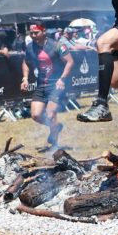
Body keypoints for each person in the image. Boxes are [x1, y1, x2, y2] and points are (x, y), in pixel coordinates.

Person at [20, 22, 74, 151]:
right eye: (31, 33)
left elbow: (70, 62)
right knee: (36, 115)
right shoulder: (29, 47)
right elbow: (26, 62)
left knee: (50, 114)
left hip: (56, 84)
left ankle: (55, 145)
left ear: (44, 31)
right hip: (41, 85)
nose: (33, 35)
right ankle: (55, 127)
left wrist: (62, 79)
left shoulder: (57, 45)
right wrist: (25, 78)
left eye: (36, 33)